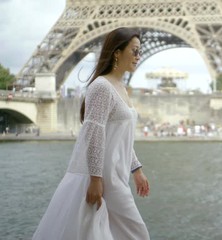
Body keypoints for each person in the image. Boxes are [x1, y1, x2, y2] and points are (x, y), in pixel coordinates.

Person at [32, 27, 150, 240]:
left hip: (117, 173)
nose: (138, 56)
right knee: (136, 233)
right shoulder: (102, 87)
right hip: (105, 175)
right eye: (134, 50)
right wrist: (96, 180)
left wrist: (137, 170)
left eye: (139, 51)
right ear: (117, 52)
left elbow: (120, 136)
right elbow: (94, 133)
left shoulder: (120, 88)